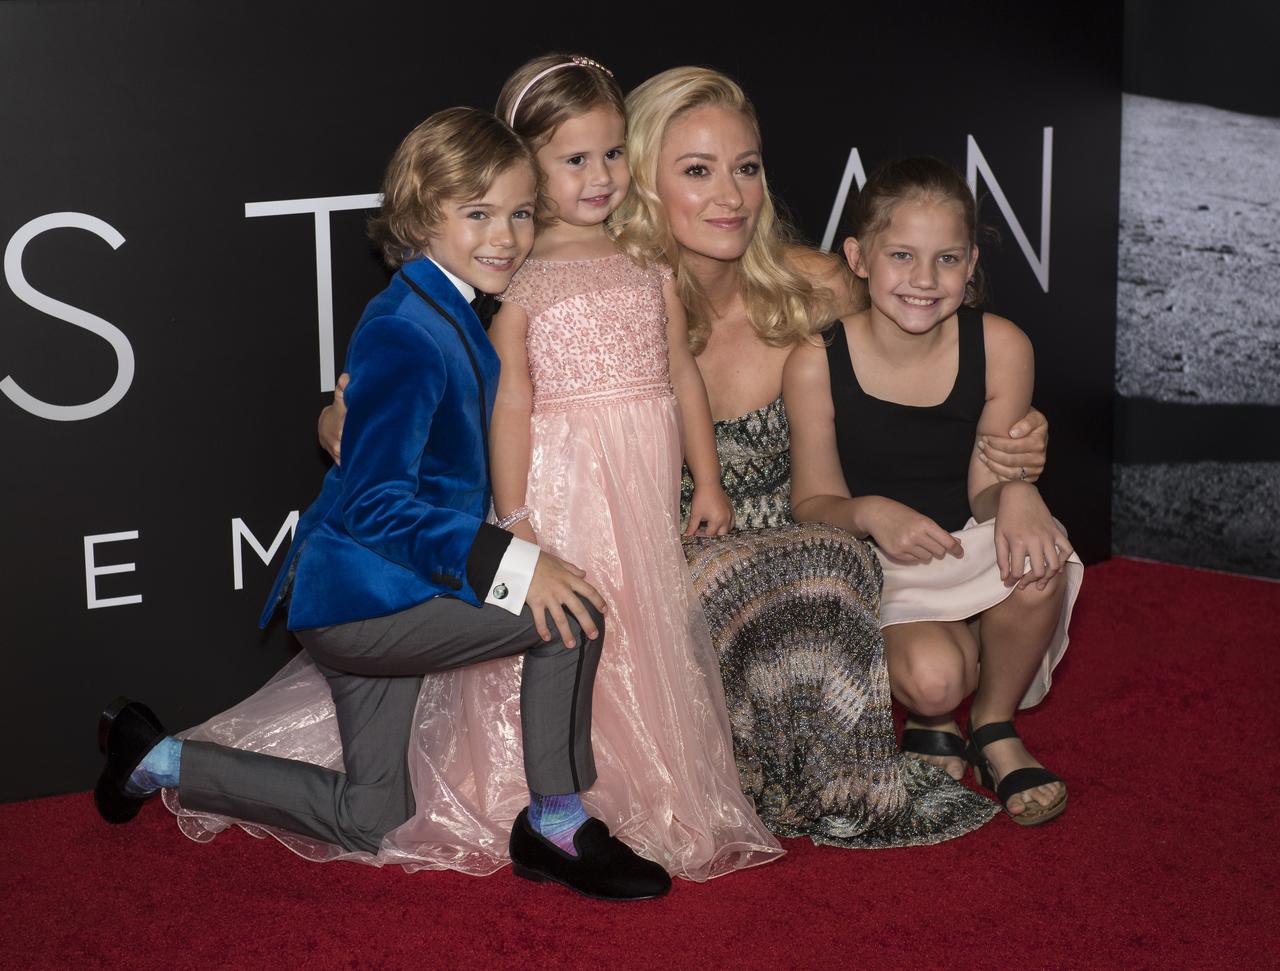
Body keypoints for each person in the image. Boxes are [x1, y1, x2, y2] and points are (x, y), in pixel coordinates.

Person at [93, 107, 671, 900]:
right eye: (477, 214)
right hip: (364, 600)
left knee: (371, 813)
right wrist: (511, 562)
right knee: (569, 615)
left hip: (373, 590)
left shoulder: (446, 304)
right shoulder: (409, 327)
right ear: (421, 215)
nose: (505, 236)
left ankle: (151, 757)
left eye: (519, 214)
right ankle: (557, 825)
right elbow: (374, 504)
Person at [611, 67, 1055, 845]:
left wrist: (1017, 439)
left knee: (906, 637)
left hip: (829, 564)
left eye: (746, 167)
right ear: (642, 183)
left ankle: (965, 686)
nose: (731, 196)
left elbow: (931, 359)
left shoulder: (814, 287)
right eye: (697, 171)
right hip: (691, 574)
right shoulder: (609, 309)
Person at [785, 157, 1083, 825]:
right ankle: (940, 699)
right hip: (883, 562)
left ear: (971, 263)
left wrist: (1019, 493)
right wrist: (870, 511)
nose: (924, 279)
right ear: (859, 258)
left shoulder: (1001, 345)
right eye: (902, 255)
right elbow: (812, 504)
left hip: (966, 541)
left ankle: (993, 724)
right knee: (933, 680)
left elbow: (986, 489)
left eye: (947, 258)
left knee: (1041, 554)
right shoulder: (817, 359)